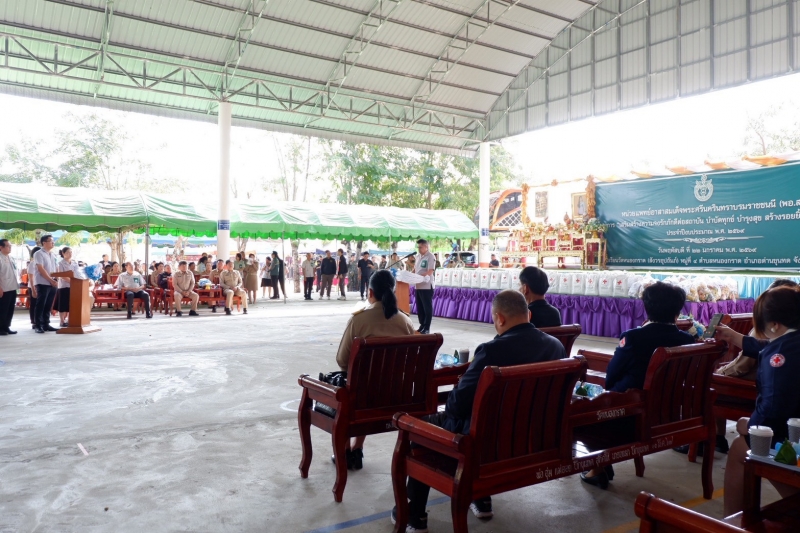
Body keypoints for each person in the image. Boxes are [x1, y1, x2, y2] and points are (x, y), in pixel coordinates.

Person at [395, 290, 566, 530]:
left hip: (487, 444)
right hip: (534, 440)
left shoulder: (492, 351)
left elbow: (456, 407)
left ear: (499, 318)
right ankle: (481, 499)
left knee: (421, 426)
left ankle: (415, 513)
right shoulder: (556, 347)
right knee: (485, 419)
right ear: (528, 315)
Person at [580, 281, 694, 489]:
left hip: (631, 416)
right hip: (670, 415)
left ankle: (598, 468)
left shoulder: (633, 337)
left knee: (585, 410)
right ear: (678, 311)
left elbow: (612, 375)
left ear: (646, 308)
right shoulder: (687, 340)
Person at [721, 285, 800, 515]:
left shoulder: (778, 356)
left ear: (774, 324)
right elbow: (772, 345)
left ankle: (731, 523)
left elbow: (774, 407)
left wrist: (751, 425)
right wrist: (736, 337)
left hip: (792, 435)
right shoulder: (789, 343)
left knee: (741, 448)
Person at [329, 269, 417, 469]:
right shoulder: (405, 321)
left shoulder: (359, 320)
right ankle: (357, 448)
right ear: (393, 291)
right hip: (396, 395)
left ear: (370, 292)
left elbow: (342, 360)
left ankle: (346, 452)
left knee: (347, 390)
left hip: (362, 398)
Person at [32, 235, 60, 333]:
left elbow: (56, 268)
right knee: (41, 304)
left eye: (53, 241)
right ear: (44, 242)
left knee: (48, 304)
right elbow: (41, 269)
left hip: (53, 283)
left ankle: (46, 324)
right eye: (51, 241)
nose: (53, 242)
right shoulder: (39, 253)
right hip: (42, 282)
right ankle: (38, 325)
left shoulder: (53, 254)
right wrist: (51, 280)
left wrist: (56, 279)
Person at [55, 247, 83, 327]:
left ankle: (70, 320)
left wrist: (78, 280)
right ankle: (62, 321)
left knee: (71, 304)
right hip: (64, 286)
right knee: (63, 304)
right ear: (63, 253)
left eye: (71, 252)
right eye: (67, 252)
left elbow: (78, 273)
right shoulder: (60, 263)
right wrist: (71, 281)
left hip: (74, 287)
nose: (70, 254)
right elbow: (61, 275)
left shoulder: (74, 263)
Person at [413, 239, 436, 335]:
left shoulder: (430, 256)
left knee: (427, 308)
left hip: (426, 286)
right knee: (420, 307)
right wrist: (410, 275)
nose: (419, 249)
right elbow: (415, 269)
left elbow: (430, 271)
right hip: (418, 285)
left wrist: (418, 276)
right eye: (418, 247)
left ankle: (427, 327)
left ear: (426, 247)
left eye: (420, 247)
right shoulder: (418, 256)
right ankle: (422, 325)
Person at [0, 238, 20, 335]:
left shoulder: (11, 258)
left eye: (10, 246)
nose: (10, 247)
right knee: (2, 308)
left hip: (12, 286)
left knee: (10, 308)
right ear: (1, 247)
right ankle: (0, 328)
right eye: (8, 246)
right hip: (4, 287)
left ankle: (6, 326)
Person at [27, 247, 41, 329]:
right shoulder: (32, 263)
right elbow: (31, 278)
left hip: (39, 285)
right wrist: (33, 289)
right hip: (33, 286)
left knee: (39, 304)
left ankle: (39, 321)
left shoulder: (39, 263)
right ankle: (34, 322)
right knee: (34, 304)